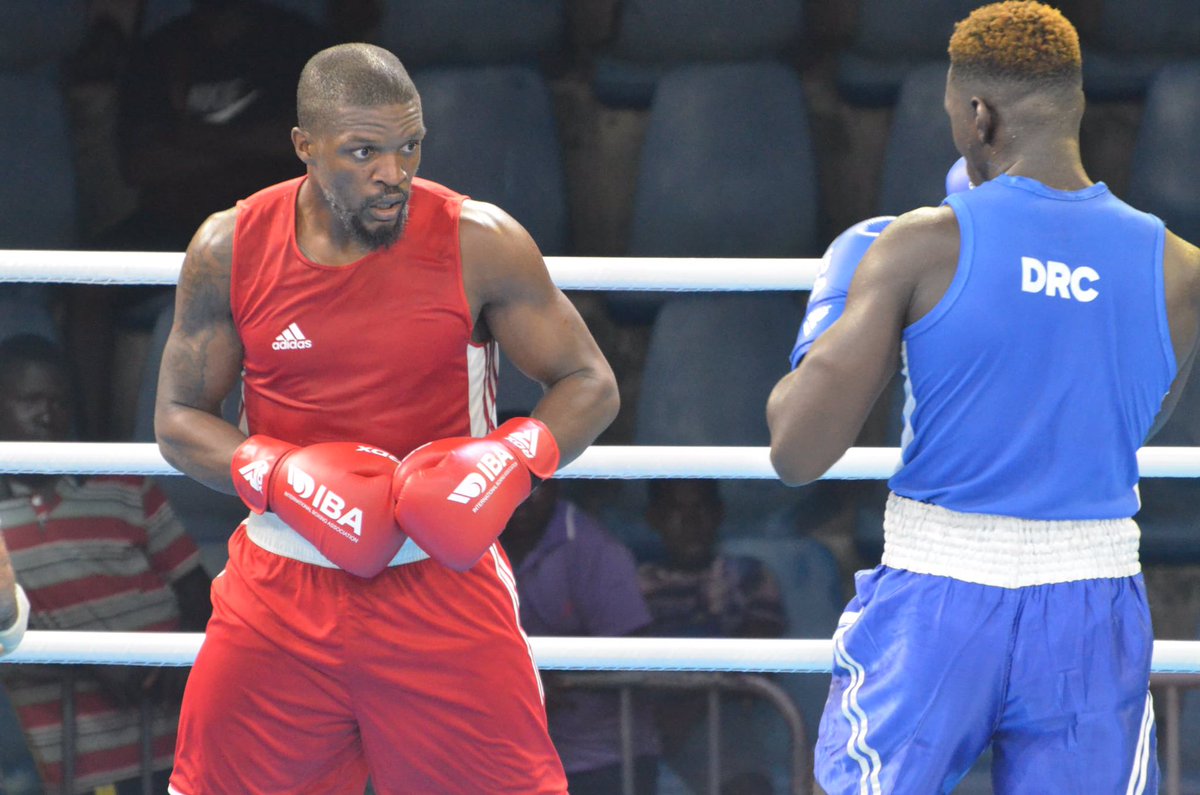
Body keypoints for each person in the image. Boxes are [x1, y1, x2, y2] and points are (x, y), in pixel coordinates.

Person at [153, 42, 619, 794]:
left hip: (439, 580)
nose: (393, 173)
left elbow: (590, 381)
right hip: (281, 585)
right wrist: (277, 471)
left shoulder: (479, 240)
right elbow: (178, 418)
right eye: (364, 151)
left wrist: (511, 457)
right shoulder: (230, 246)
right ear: (305, 146)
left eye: (409, 146)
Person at [766, 2, 1200, 792]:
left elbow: (797, 451)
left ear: (978, 115)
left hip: (939, 597)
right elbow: (1138, 419)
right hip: (1092, 603)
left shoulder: (918, 245)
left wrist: (831, 316)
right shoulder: (1178, 267)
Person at [0, 334, 211, 794]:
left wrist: (175, 664)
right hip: (82, 762)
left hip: (179, 739)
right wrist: (96, 664)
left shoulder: (124, 484)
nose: (48, 415)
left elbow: (199, 595)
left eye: (59, 401)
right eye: (31, 400)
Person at [500, 451, 660, 795]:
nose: (521, 497)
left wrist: (560, 682)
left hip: (603, 759)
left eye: (532, 484)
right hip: (507, 755)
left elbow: (636, 659)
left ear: (555, 482)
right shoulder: (464, 541)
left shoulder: (595, 549)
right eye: (507, 483)